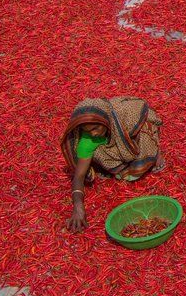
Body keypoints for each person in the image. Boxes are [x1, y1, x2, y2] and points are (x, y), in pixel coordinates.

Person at [61, 97, 165, 232]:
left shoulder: (124, 115)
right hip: (119, 144)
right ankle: (122, 162)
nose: (93, 133)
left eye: (95, 127)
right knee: (99, 154)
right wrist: (78, 207)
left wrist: (156, 149)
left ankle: (154, 153)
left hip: (132, 128)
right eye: (87, 130)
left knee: (144, 130)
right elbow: (79, 176)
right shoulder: (87, 140)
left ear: (105, 120)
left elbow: (146, 114)